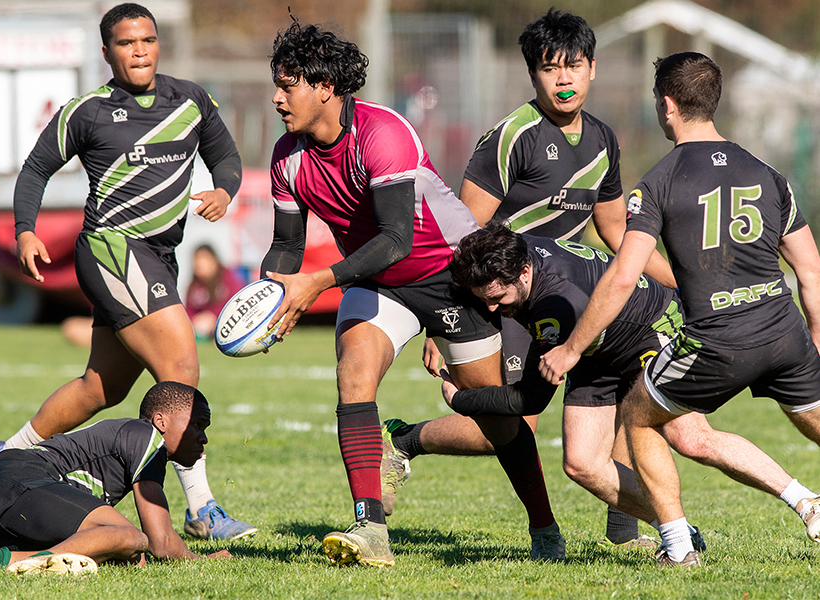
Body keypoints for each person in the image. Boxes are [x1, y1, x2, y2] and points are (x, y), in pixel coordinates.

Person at [262, 20, 561, 566]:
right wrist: (269, 296)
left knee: (497, 422)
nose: (278, 98)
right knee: (353, 374)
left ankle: (544, 528)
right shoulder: (286, 156)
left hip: (451, 279)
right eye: (276, 85)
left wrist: (318, 281)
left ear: (324, 87)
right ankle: (371, 530)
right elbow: (286, 245)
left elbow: (398, 239)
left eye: (289, 85)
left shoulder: (383, 132)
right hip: (378, 281)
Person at [382, 8, 675, 550]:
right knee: (517, 424)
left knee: (625, 392)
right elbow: (461, 239)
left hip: (571, 289)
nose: (563, 79)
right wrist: (439, 326)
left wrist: (679, 283)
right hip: (508, 299)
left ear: (592, 69)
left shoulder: (604, 139)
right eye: (549, 68)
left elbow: (616, 231)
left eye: (575, 66)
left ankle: (624, 528)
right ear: (532, 74)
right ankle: (407, 441)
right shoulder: (511, 137)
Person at [0, 3, 256, 542]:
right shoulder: (88, 110)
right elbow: (36, 168)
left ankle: (5, 452)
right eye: (127, 44)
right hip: (112, 249)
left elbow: (227, 158)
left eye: (147, 40)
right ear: (107, 52)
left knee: (101, 388)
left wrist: (224, 190)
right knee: (181, 365)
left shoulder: (191, 100)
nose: (140, 50)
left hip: (157, 257)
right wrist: (25, 229)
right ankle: (201, 509)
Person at [540, 52, 820, 567]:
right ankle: (808, 504)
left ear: (666, 105)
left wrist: (573, 348)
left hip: (717, 340)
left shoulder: (659, 182)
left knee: (639, 418)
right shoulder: (769, 175)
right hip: (784, 331)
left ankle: (677, 545)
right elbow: (810, 271)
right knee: (813, 418)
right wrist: (815, 342)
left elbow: (624, 276)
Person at [437, 223, 712, 551]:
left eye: (497, 299)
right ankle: (679, 531)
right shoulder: (510, 251)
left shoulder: (553, 307)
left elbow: (531, 398)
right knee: (582, 463)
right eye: (484, 300)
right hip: (597, 348)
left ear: (524, 273)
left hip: (648, 329)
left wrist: (463, 399)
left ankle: (789, 495)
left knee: (692, 438)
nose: (492, 309)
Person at [0, 382, 230, 574]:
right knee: (130, 538)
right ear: (161, 421)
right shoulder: (148, 437)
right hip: (17, 477)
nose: (203, 437)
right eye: (197, 423)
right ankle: (10, 562)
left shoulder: (131, 439)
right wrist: (200, 561)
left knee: (125, 551)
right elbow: (160, 543)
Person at [185, 244, 246, 340]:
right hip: (201, 331)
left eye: (204, 260)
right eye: (197, 260)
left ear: (214, 261)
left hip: (230, 327)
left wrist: (214, 318)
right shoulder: (194, 286)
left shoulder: (228, 279)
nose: (200, 264)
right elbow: (188, 311)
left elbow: (238, 303)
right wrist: (195, 319)